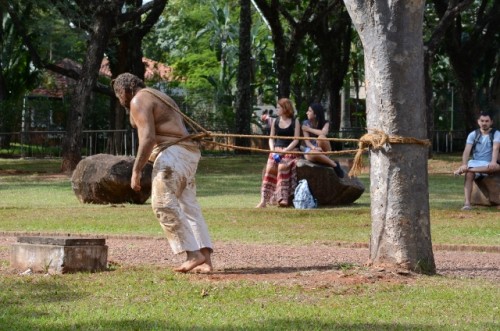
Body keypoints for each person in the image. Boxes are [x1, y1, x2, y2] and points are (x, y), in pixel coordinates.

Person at [111, 73, 213, 273]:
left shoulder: (138, 99)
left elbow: (147, 138)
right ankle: (206, 260)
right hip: (188, 153)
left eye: (118, 95)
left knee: (162, 203)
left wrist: (136, 170)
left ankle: (193, 254)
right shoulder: (158, 95)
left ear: (125, 90)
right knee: (188, 206)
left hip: (173, 154)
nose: (120, 100)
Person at [256, 98, 301, 208]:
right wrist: (273, 150)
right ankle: (263, 200)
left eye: (278, 107)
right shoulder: (275, 121)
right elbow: (271, 138)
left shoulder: (295, 122)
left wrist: (285, 151)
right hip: (276, 150)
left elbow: (296, 140)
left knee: (282, 167)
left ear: (285, 108)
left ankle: (283, 198)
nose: (276, 109)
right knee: (270, 168)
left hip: (290, 151)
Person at [454, 111, 500, 210]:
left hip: (490, 163)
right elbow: (467, 151)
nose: (484, 123)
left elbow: (496, 148)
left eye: (487, 121)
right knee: (469, 175)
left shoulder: (496, 134)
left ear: (491, 122)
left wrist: (493, 161)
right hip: (476, 163)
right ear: (478, 122)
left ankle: (468, 170)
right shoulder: (473, 134)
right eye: (482, 121)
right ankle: (467, 204)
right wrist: (464, 164)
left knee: (495, 166)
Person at [301, 103, 344, 178]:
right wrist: (314, 148)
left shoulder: (325, 123)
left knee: (321, 137)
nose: (307, 112)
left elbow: (324, 133)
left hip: (323, 149)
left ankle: (324, 159)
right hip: (311, 149)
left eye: (309, 111)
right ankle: (334, 164)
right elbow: (307, 142)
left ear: (315, 114)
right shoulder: (305, 123)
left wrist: (309, 129)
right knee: (314, 153)